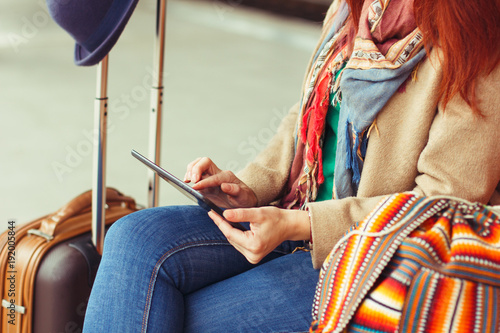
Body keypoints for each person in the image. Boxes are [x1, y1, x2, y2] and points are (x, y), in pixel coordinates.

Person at [83, 0, 500, 331]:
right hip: (289, 215)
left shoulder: (479, 43)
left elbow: (442, 204)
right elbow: (305, 117)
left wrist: (303, 226)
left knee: (185, 316)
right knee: (133, 237)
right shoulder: (352, 10)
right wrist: (246, 187)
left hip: (367, 253)